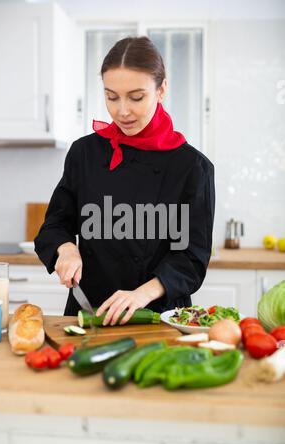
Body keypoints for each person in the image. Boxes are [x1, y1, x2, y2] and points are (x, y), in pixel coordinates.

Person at [34, 36, 215, 326]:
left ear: (161, 89)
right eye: (111, 96)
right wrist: (66, 249)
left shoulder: (192, 167)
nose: (122, 111)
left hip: (158, 316)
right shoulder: (84, 153)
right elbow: (55, 224)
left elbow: (191, 259)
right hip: (89, 310)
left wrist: (141, 295)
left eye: (136, 96)